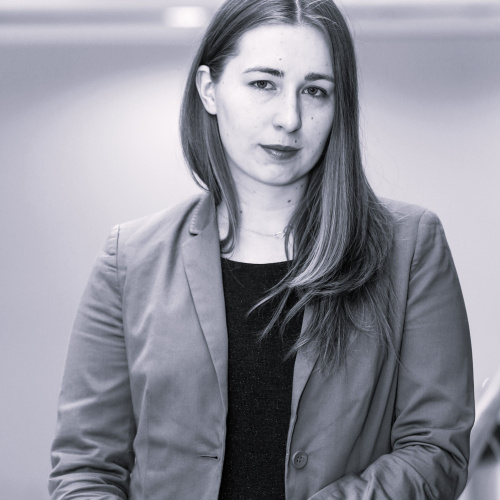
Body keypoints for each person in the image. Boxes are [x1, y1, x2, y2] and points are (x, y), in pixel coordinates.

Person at [48, 0, 474, 499]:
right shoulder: (129, 259)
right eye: (263, 84)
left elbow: (436, 450)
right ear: (209, 89)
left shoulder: (409, 246)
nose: (289, 118)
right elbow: (85, 468)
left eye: (315, 91)